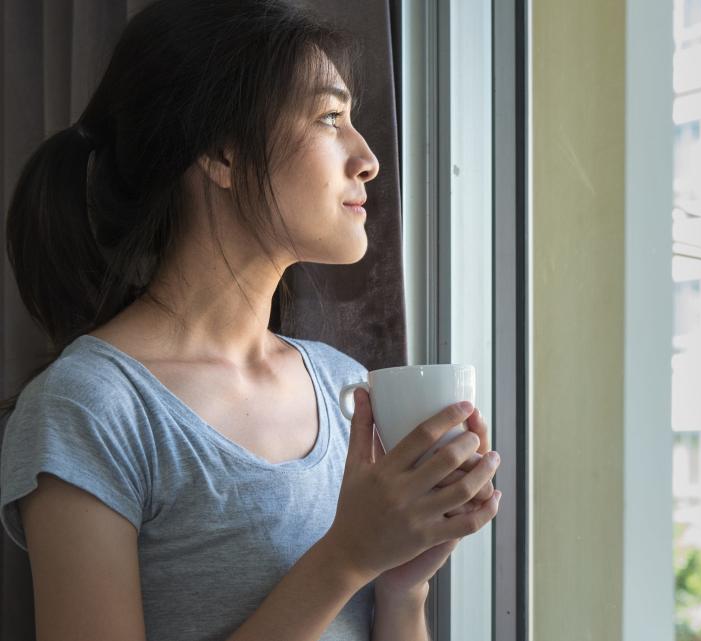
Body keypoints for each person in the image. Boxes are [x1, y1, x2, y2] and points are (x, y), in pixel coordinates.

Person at [0, 0, 501, 639]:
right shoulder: (89, 407)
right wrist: (347, 558)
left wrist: (404, 584)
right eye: (330, 117)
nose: (368, 158)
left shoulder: (345, 387)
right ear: (222, 154)